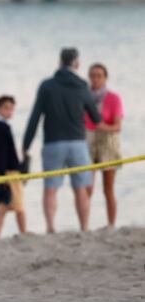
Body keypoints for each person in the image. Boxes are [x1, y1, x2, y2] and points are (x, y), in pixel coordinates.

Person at [22, 48, 101, 233]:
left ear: (60, 62)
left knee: (51, 188)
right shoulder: (82, 86)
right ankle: (84, 228)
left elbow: (35, 117)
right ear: (77, 64)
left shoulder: (47, 86)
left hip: (53, 143)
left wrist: (26, 145)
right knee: (81, 188)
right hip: (78, 143)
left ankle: (50, 228)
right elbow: (96, 118)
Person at [84, 63, 124, 227]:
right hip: (88, 141)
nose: (95, 79)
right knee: (87, 188)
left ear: (105, 78)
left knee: (108, 189)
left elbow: (118, 126)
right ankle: (85, 225)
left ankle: (111, 224)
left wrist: (103, 127)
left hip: (108, 142)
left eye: (99, 75)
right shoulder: (83, 97)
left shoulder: (113, 98)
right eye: (92, 75)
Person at [0, 95, 27, 238]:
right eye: (6, 108)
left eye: (11, 108)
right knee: (19, 207)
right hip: (7, 172)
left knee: (3, 207)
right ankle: (23, 234)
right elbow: (1, 153)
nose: (9, 111)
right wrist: (3, 175)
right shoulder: (1, 128)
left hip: (3, 172)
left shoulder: (0, 127)